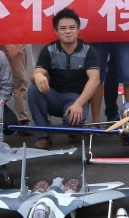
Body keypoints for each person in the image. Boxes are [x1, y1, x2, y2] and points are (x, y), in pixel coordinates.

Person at [28, 8, 101, 148]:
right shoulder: (49, 49)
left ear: (78, 29)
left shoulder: (89, 50)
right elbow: (37, 72)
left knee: (73, 122)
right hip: (54, 96)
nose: (68, 31)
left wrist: (79, 103)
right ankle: (43, 136)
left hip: (76, 98)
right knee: (33, 90)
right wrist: (37, 76)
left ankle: (74, 130)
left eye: (72, 28)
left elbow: (95, 80)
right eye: (63, 28)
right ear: (56, 31)